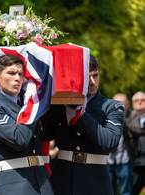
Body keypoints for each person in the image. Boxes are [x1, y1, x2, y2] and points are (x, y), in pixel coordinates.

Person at [41, 54, 124, 195]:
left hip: (95, 182)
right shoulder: (61, 105)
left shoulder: (112, 106)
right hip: (63, 179)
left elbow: (109, 142)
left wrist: (79, 112)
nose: (93, 82)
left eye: (95, 75)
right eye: (87, 77)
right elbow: (43, 135)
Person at [0, 54, 53, 195]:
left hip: (42, 182)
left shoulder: (28, 107)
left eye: (20, 74)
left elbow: (49, 133)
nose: (18, 78)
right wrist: (30, 106)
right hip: (14, 184)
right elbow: (20, 139)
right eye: (11, 73)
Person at [108, 93, 141, 195]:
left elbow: (137, 130)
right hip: (110, 159)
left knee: (126, 191)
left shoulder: (132, 114)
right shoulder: (108, 115)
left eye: (122, 104)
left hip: (125, 159)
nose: (119, 107)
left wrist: (123, 120)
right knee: (108, 189)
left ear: (127, 104)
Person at [132, 91, 145, 195]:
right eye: (137, 100)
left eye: (143, 100)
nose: (140, 102)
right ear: (132, 104)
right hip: (133, 160)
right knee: (133, 189)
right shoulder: (128, 118)